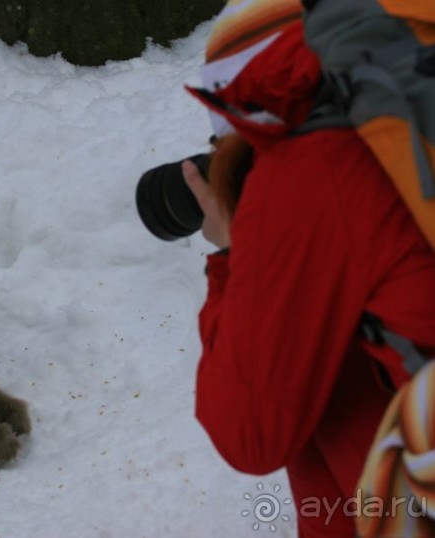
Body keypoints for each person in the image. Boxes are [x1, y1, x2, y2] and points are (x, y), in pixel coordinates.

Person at [181, 1, 435, 536]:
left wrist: (234, 253)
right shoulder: (406, 118)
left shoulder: (313, 167)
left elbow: (249, 434)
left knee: (314, 377)